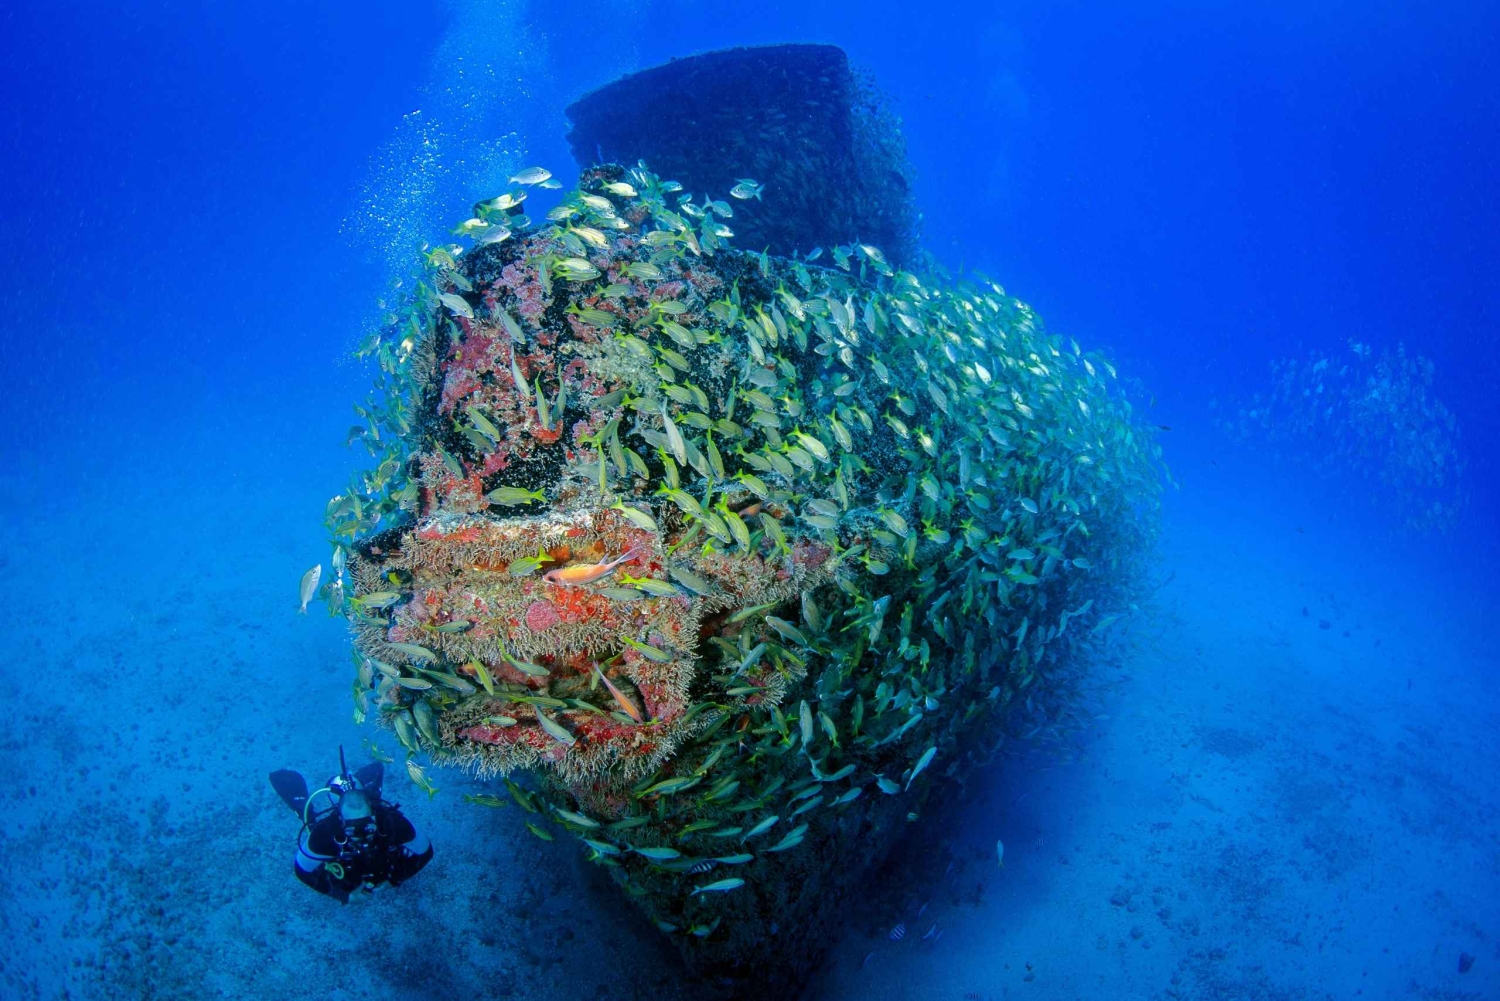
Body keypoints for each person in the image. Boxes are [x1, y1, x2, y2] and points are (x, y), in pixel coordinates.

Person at [269, 749, 433, 902]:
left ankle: (366, 788)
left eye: (368, 828)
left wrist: (395, 879)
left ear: (374, 815)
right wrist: (345, 896)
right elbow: (302, 871)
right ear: (340, 821)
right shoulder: (325, 833)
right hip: (344, 863)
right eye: (352, 829)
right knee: (312, 826)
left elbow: (426, 852)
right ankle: (304, 808)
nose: (361, 835)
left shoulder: (392, 822)